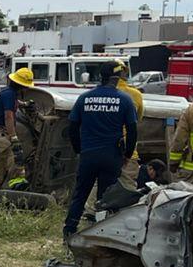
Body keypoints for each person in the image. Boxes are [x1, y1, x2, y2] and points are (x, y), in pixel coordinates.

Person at [63, 67, 138, 240]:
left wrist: (79, 149)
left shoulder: (84, 98)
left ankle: (69, 231)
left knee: (80, 195)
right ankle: (100, 235)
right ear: (115, 79)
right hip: (111, 156)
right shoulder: (125, 100)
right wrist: (127, 155)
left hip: (88, 154)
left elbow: (72, 127)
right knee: (105, 198)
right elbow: (133, 131)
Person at [0, 67, 34, 199]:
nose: (26, 89)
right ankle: (17, 182)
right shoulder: (9, 94)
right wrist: (14, 137)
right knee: (15, 153)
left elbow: (14, 104)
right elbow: (8, 116)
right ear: (21, 85)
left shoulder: (8, 93)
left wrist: (25, 104)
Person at [113, 60, 146, 190]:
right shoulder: (135, 94)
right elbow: (138, 118)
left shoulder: (96, 94)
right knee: (128, 190)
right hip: (128, 152)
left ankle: (90, 211)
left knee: (98, 187)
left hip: (103, 150)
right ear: (125, 73)